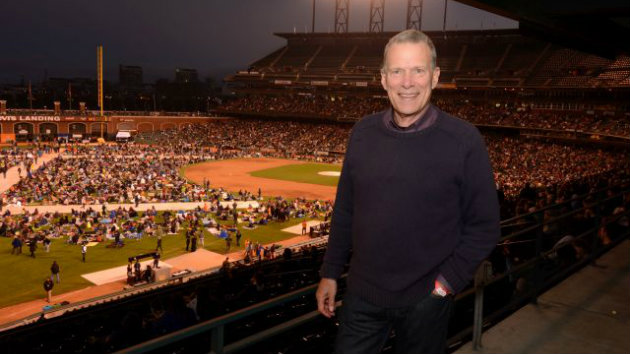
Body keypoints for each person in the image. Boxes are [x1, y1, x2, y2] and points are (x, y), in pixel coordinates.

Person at [315, 29, 500, 354]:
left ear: (435, 76)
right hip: (361, 296)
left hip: (426, 300)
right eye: (397, 71)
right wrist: (330, 272)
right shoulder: (362, 133)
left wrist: (445, 286)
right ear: (384, 79)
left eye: (418, 70)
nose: (407, 82)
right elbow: (345, 210)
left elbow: (484, 228)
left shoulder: (464, 141)